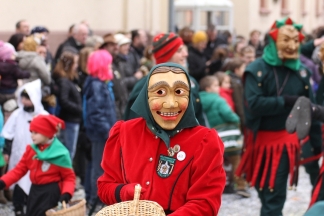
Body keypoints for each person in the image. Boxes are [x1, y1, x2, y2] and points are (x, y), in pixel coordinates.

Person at [97, 63, 226, 215]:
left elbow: (206, 203)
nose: (170, 104)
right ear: (146, 95)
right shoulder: (124, 133)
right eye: (160, 91)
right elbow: (105, 187)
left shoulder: (204, 141)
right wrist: (125, 192)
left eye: (179, 91)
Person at [235, 17, 322, 216]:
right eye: (286, 40)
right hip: (257, 141)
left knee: (273, 198)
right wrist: (286, 101)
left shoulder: (302, 72)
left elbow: (311, 109)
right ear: (274, 41)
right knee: (265, 194)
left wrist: (316, 141)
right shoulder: (256, 70)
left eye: (296, 41)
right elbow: (254, 104)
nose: (292, 46)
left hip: (283, 143)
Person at [123, 32, 206, 126]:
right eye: (179, 51)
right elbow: (135, 126)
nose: (186, 54)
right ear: (166, 57)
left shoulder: (190, 82)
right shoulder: (145, 86)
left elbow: (199, 118)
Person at [0, 114, 75, 216]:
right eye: (31, 132)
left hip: (50, 194)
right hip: (35, 191)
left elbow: (69, 177)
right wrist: (3, 182)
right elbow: (19, 170)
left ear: (47, 133)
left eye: (36, 132)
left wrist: (66, 194)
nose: (32, 135)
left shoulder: (60, 153)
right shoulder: (31, 150)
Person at [1, 79, 48, 216]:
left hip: (37, 157)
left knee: (34, 181)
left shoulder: (43, 116)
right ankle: (18, 207)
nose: (24, 101)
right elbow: (8, 133)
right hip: (19, 154)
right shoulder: (17, 114)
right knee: (18, 180)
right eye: (23, 98)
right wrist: (6, 152)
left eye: (27, 98)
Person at [83, 50, 117, 207]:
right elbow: (96, 114)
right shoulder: (96, 86)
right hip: (100, 134)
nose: (111, 66)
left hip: (102, 132)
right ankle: (96, 200)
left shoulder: (101, 84)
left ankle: (95, 198)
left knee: (98, 165)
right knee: (99, 167)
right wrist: (108, 132)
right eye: (109, 64)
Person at [53, 51, 82, 159]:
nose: (77, 66)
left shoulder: (70, 80)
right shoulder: (64, 82)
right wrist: (79, 109)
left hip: (72, 119)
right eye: (75, 63)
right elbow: (64, 100)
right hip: (69, 120)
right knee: (68, 151)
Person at [0, 41, 30, 106]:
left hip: (1, 91)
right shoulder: (13, 66)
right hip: (11, 91)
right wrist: (27, 73)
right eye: (12, 54)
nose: (14, 56)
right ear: (7, 55)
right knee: (11, 106)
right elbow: (20, 74)